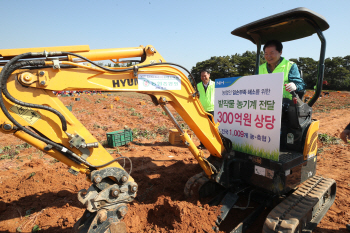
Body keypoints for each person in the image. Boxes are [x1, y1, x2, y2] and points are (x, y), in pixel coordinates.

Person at [197, 70, 215, 148]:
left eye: (205, 76)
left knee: (213, 128)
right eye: (202, 76)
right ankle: (203, 144)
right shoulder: (198, 85)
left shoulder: (215, 84)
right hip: (202, 110)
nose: (203, 78)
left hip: (212, 109)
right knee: (203, 128)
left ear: (209, 75)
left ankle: (214, 144)